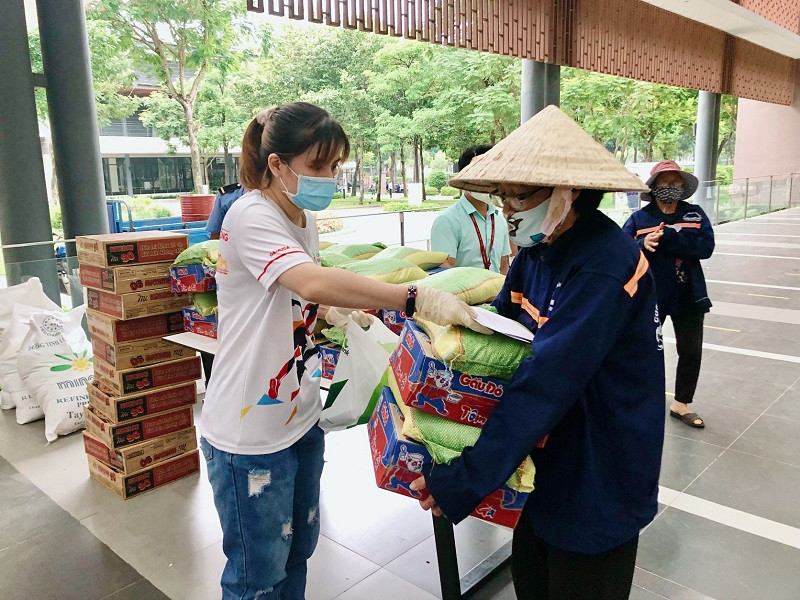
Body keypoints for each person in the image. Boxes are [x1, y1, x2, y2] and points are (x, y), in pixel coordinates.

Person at [199, 101, 486, 600]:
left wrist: (334, 315)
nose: (330, 177)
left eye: (334, 166)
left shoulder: (300, 219)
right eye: (319, 167)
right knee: (256, 572)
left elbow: (292, 293)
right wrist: (412, 297)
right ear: (277, 165)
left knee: (298, 550)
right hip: (248, 429)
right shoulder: (250, 214)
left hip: (298, 413)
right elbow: (308, 281)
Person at [409, 105, 666, 600]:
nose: (506, 208)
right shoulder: (536, 251)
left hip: (598, 462)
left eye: (517, 195)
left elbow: (545, 382)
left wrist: (466, 479)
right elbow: (504, 339)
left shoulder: (603, 265)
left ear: (566, 193)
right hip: (546, 456)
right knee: (533, 576)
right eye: (501, 195)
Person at [623, 160, 714, 428]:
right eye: (665, 182)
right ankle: (640, 399)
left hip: (689, 294)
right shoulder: (639, 219)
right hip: (652, 295)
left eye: (676, 182)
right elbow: (621, 251)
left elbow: (706, 247)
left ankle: (681, 403)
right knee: (645, 348)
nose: (671, 187)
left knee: (691, 349)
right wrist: (641, 244)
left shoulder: (695, 215)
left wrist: (672, 238)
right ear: (654, 187)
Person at [430, 145, 511, 274]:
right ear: (464, 177)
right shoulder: (447, 221)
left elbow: (504, 266)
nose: (486, 182)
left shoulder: (499, 220)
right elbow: (444, 272)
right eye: (480, 175)